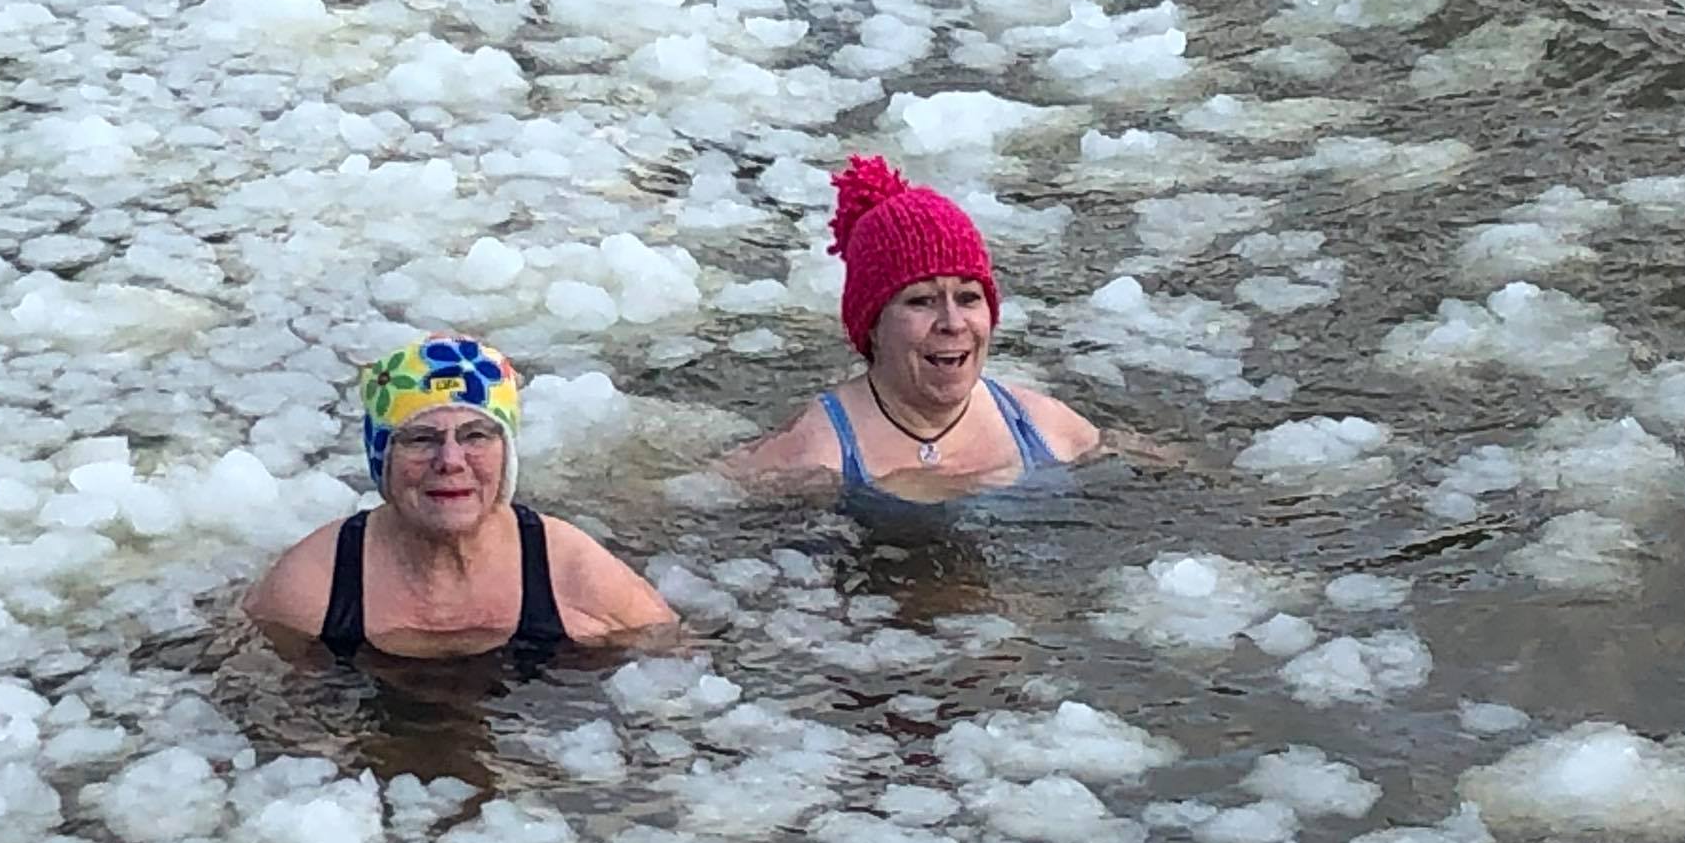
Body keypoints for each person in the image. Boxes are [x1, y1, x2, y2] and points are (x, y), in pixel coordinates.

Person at [247, 334, 676, 660]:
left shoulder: (575, 574)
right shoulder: (314, 589)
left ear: (506, 454)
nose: (450, 460)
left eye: (476, 436)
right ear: (383, 460)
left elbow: (673, 669)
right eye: (420, 439)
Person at [729, 156, 1105, 500]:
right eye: (921, 300)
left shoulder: (1043, 427)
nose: (953, 323)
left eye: (969, 298)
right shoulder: (817, 451)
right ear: (872, 324)